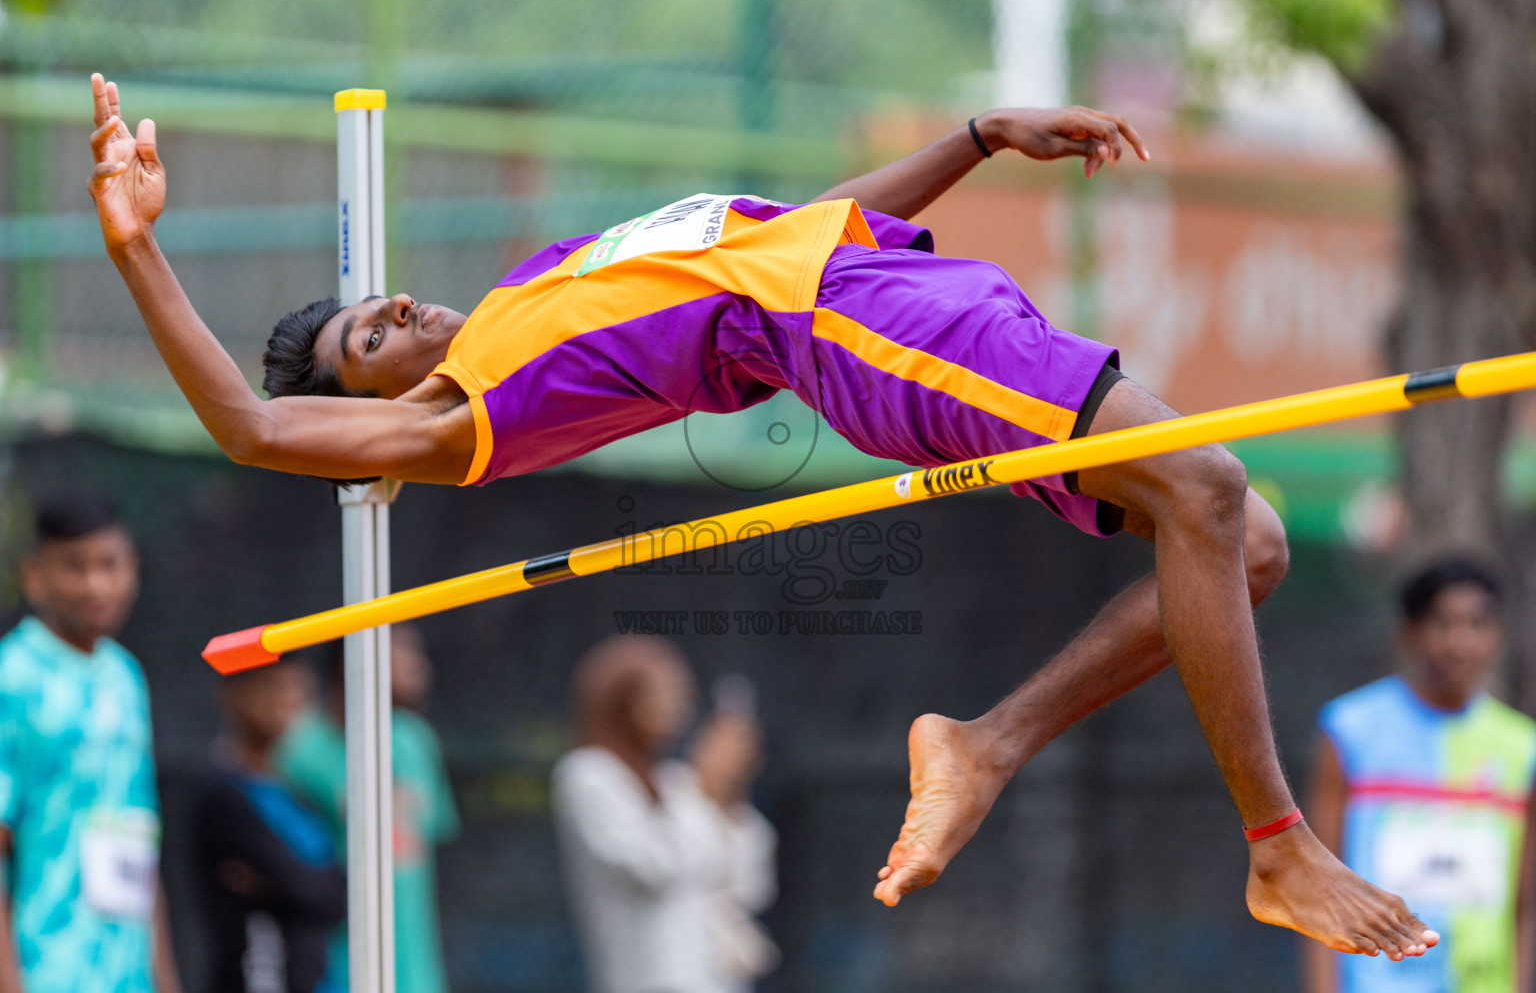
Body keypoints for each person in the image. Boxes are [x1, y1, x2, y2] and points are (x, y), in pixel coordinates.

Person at [87, 69, 1437, 959]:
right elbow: (252, 427)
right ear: (365, 410)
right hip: (860, 330)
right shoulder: (463, 412)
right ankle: (1278, 847)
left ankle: (983, 741)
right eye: (372, 340)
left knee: (1244, 539)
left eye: (383, 300)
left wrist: (972, 139)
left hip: (892, 285)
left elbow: (784, 231)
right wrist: (139, 244)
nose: (402, 314)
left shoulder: (535, 288)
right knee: (1203, 487)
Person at [1303, 560, 1536, 993]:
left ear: (1498, 633)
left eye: (1477, 623)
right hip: (1376, 982)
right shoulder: (1350, 731)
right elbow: (1320, 887)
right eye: (1442, 623)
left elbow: (1523, 906)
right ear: (1409, 632)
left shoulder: (1522, 748)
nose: (1460, 641)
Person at [0, 490, 182, 993]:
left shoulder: (126, 678)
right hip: (47, 970)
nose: (96, 583)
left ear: (134, 568)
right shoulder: (12, 676)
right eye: (74, 567)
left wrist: (164, 979)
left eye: (110, 563)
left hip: (128, 974)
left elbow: (139, 838)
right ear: (34, 575)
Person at [551, 636, 777, 993]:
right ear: (620, 699)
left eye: (680, 695)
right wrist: (705, 787)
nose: (673, 708)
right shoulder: (589, 775)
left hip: (717, 979)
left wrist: (731, 796)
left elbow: (747, 885)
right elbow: (653, 867)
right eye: (658, 694)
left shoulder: (676, 782)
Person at [275, 625, 459, 993]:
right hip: (332, 967)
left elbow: (432, 836)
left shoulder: (416, 741)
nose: (420, 665)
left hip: (417, 971)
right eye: (404, 649)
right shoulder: (298, 750)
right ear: (359, 654)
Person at [192, 658, 346, 993]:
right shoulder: (224, 799)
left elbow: (336, 895)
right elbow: (303, 886)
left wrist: (280, 885)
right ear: (233, 696)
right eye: (274, 687)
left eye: (299, 691)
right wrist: (297, 885)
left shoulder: (301, 797)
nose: (287, 700)